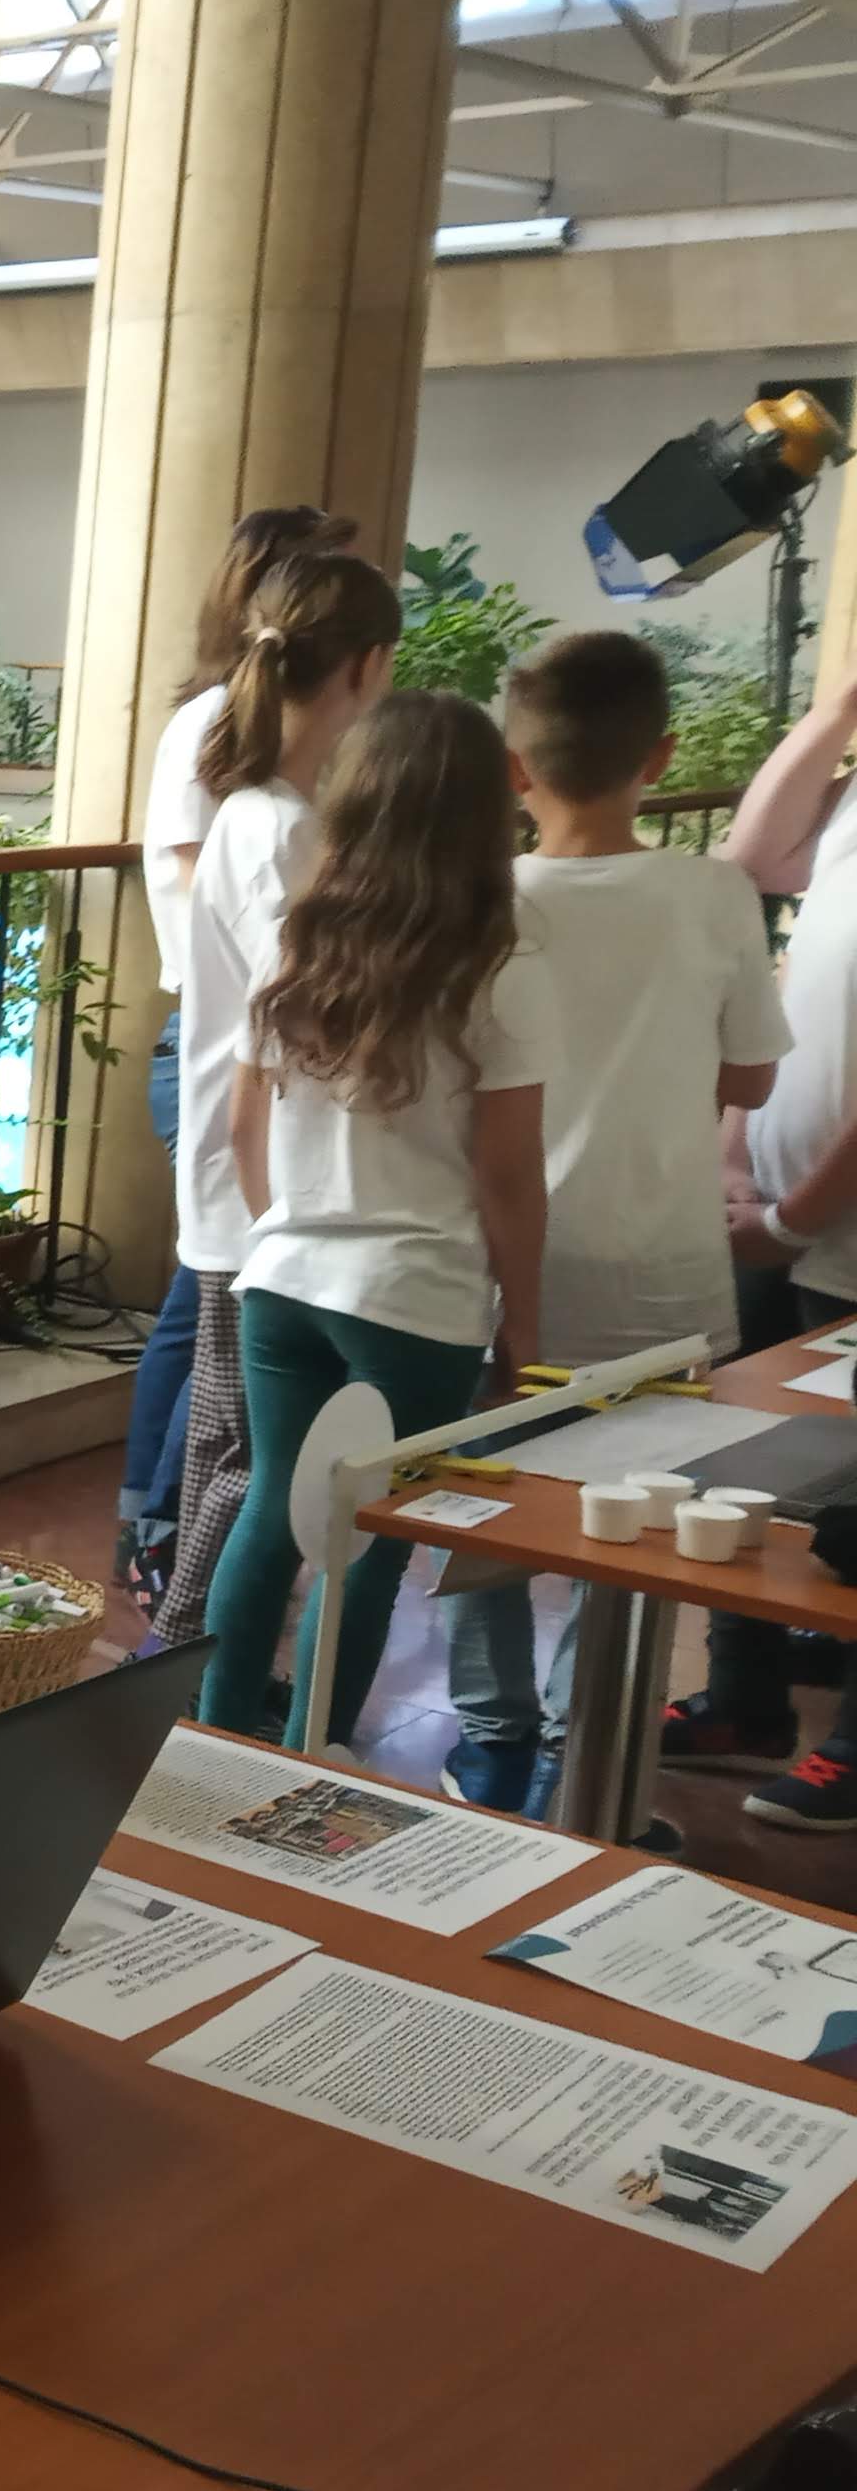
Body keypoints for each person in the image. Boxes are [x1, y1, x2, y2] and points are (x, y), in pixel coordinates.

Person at [434, 634, 783, 1812]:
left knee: (484, 1503)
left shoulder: (482, 898)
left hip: (502, 1267)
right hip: (666, 1275)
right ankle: (587, 1767)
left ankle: (490, 1742)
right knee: (631, 1532)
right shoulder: (712, 892)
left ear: (514, 769)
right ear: (660, 757)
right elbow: (749, 1081)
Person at [199, 690, 553, 1750]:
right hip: (414, 1297)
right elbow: (506, 1175)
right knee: (365, 1543)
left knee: (271, 1511)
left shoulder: (297, 945)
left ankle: (211, 1742)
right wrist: (524, 1325)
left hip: (284, 1278)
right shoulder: (499, 968)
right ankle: (310, 1759)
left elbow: (242, 1127)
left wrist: (288, 1233)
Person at [163, 552, 406, 1656]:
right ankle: (178, 1666)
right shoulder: (273, 827)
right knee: (245, 1461)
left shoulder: (281, 812)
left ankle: (191, 1667)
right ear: (365, 667)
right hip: (257, 1189)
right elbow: (300, 1020)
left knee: (243, 1452)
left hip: (266, 1183)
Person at [120, 506, 354, 1610]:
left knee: (206, 1322)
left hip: (236, 1054)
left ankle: (165, 1550)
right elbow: (205, 895)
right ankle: (167, 1556)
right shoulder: (227, 748)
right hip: (224, 1057)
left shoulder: (271, 780)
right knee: (216, 1335)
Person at [685, 670, 857, 1828]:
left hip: (819, 1225)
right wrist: (734, 1149)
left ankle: (851, 1746)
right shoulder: (843, 797)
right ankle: (739, 1698)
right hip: (780, 1211)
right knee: (739, 1464)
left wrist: (790, 1216)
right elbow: (750, 857)